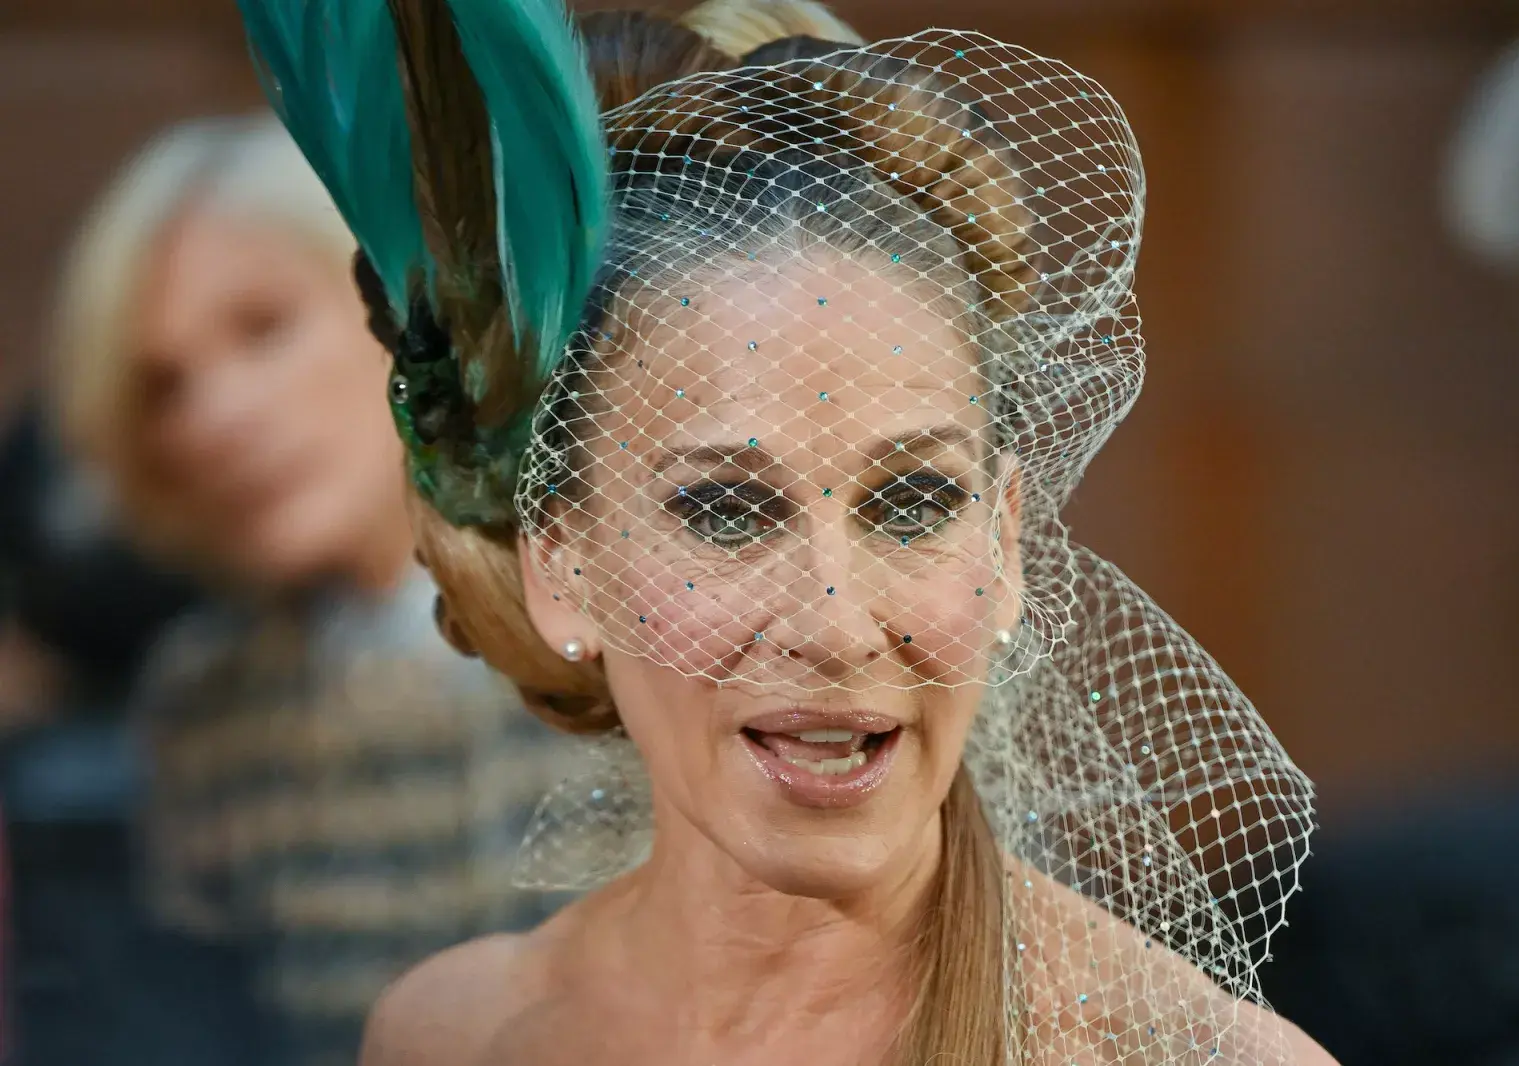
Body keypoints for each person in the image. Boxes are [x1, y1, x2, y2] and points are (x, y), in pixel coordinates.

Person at [238, 1, 1340, 1063]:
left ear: (1003, 544)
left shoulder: (1186, 1059)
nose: (837, 626)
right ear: (562, 564)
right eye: (726, 511)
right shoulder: (451, 1037)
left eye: (913, 503)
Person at [44, 113, 572, 1066]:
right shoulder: (204, 710)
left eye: (263, 327)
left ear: (409, 309)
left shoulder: (640, 620)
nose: (216, 417)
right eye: (163, 387)